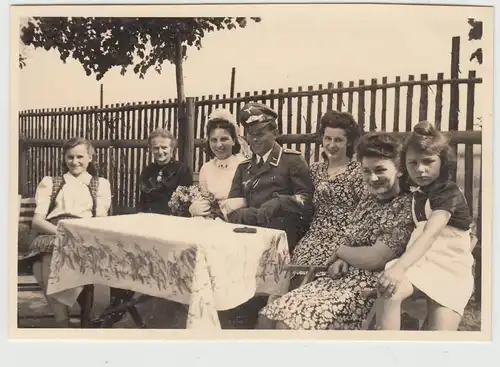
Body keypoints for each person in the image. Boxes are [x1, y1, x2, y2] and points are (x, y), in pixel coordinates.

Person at [257, 132, 414, 330]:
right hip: (338, 281)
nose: (373, 178)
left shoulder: (405, 206)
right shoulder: (369, 200)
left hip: (366, 290)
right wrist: (343, 258)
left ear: (399, 169)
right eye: (366, 171)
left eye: (380, 170)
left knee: (286, 324)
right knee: (266, 316)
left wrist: (340, 252)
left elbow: (376, 257)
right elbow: (352, 239)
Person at [375, 121, 474, 331]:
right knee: (390, 290)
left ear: (442, 161)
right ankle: (387, 349)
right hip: (420, 264)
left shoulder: (449, 194)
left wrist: (400, 267)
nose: (420, 169)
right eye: (413, 163)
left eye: (428, 161)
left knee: (439, 338)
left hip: (449, 268)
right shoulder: (418, 192)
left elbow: (430, 234)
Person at [20, 137, 112, 327]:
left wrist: (78, 234)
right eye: (70, 157)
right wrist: (62, 233)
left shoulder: (99, 184)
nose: (75, 162)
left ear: (90, 158)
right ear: (64, 158)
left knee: (72, 250)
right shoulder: (51, 183)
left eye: (80, 157)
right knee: (49, 252)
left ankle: (65, 317)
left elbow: (100, 220)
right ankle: (61, 317)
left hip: (83, 232)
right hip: (51, 231)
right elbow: (37, 221)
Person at [226, 102, 314, 251]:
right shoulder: (243, 168)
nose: (254, 140)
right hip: (250, 237)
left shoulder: (291, 160)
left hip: (284, 240)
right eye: (251, 134)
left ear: (275, 133)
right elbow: (232, 210)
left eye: (260, 134)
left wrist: (280, 203)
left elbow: (307, 200)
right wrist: (244, 215)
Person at [291, 110, 365, 271]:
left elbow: (364, 215)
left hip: (344, 241)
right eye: (328, 138)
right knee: (295, 273)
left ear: (349, 142)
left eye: (338, 140)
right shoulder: (315, 169)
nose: (332, 145)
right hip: (313, 237)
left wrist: (350, 249)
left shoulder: (358, 172)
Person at [188, 108, 246, 218]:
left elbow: (252, 199)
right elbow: (203, 198)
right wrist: (194, 208)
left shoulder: (243, 165)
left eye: (224, 139)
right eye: (214, 140)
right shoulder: (206, 168)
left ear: (234, 140)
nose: (219, 145)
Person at [137, 128, 193, 214]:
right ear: (151, 149)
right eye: (156, 148)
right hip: (149, 218)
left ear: (172, 148)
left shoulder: (181, 170)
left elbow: (185, 204)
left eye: (164, 147)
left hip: (173, 219)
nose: (160, 152)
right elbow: (142, 201)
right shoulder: (148, 171)